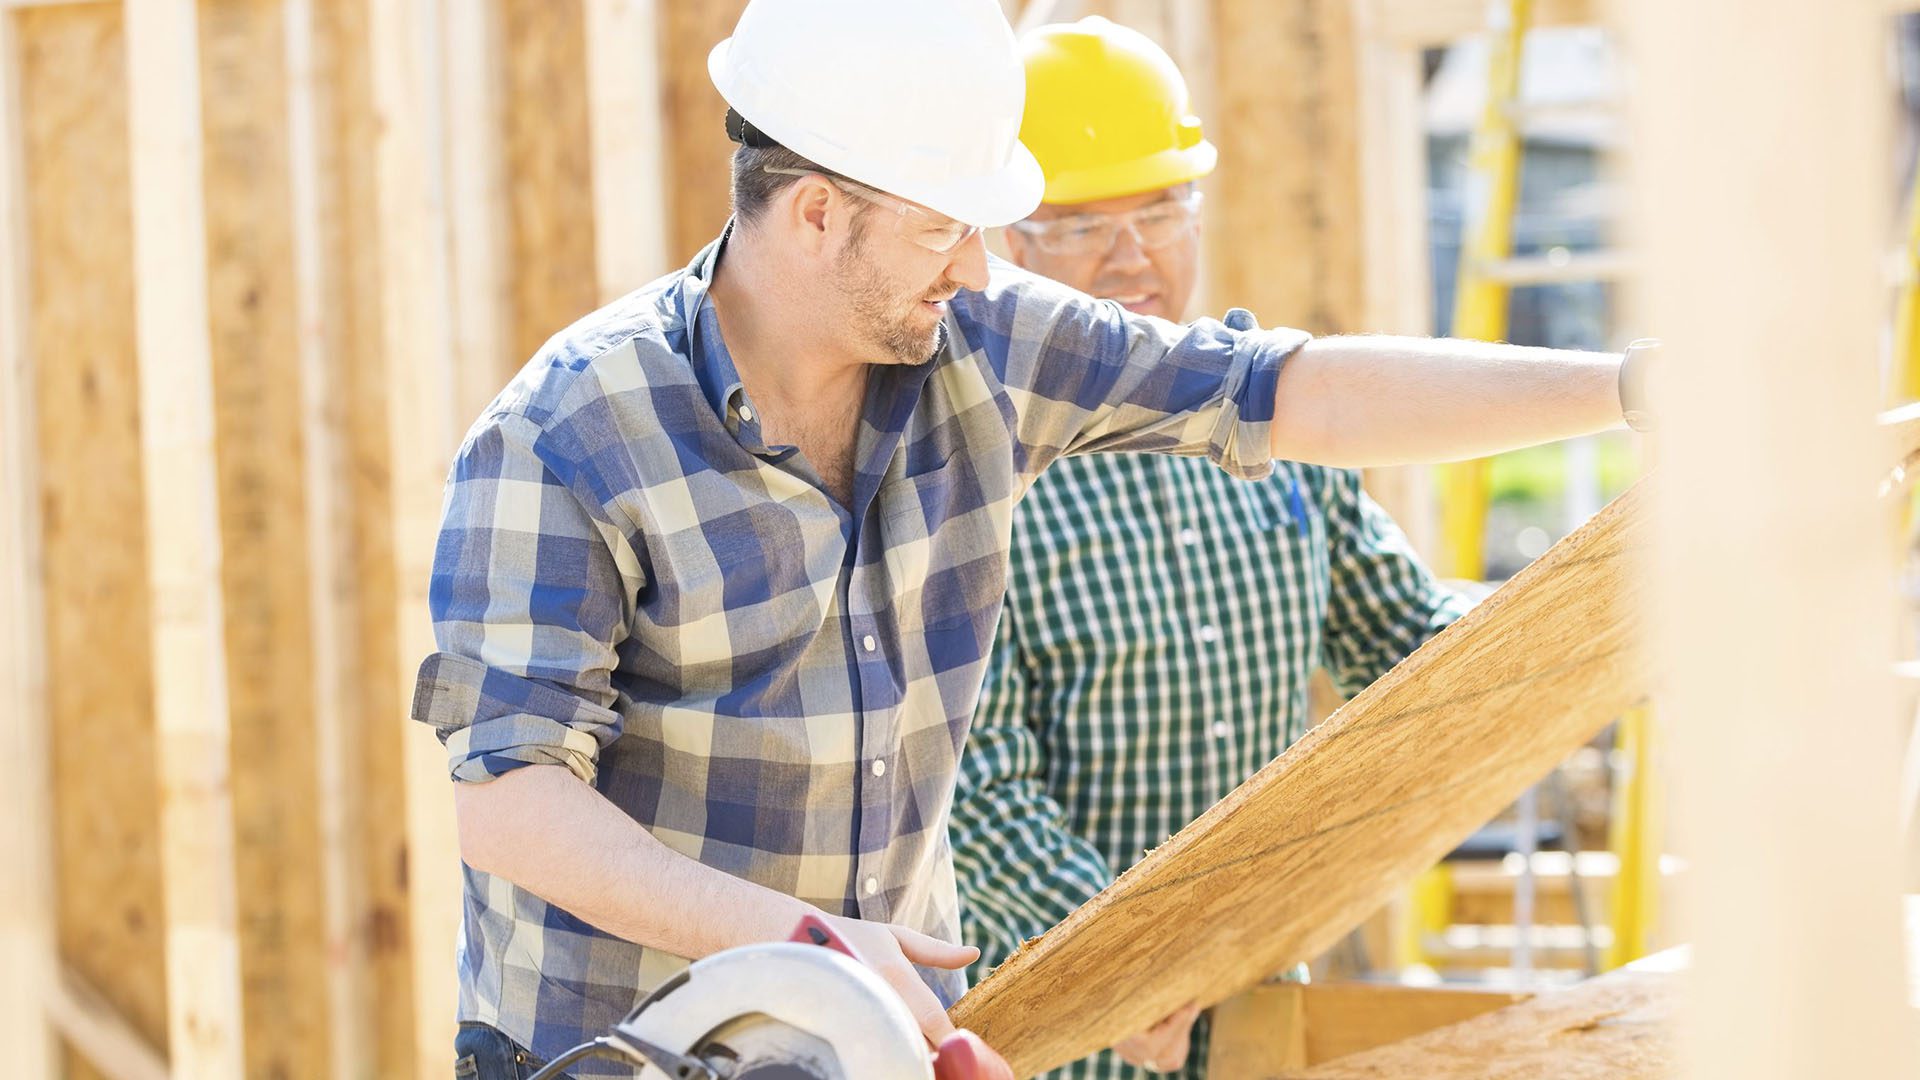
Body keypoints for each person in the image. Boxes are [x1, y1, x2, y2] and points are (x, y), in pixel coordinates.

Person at [409, 1, 1647, 1076]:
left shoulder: (983, 349)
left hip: (873, 1045)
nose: (982, 267)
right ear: (820, 214)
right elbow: (510, 802)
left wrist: (1627, 388)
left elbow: (1283, 389)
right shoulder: (566, 439)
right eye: (947, 227)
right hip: (627, 1050)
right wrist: (804, 948)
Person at [950, 19, 1469, 1078]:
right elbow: (979, 794)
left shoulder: (1290, 433)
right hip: (1067, 1037)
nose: (1132, 253)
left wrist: (1591, 630)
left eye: (1159, 207)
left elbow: (1413, 655)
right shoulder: (975, 477)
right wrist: (1138, 967)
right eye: (1082, 222)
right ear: (1010, 241)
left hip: (1258, 1026)